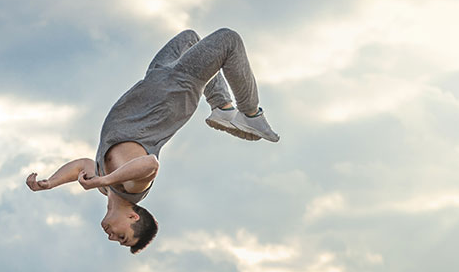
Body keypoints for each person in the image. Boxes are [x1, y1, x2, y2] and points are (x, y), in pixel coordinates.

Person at [25, 28, 278, 254]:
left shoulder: (107, 187)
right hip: (175, 89)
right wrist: (104, 179)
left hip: (156, 78)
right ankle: (251, 114)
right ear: (134, 217)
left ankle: (222, 106)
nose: (113, 238)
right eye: (123, 237)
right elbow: (150, 164)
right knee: (228, 40)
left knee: (189, 38)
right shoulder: (132, 188)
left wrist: (51, 182)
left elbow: (81, 165)